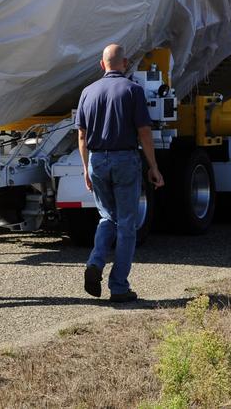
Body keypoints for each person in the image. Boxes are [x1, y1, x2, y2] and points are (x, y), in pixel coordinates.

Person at [76, 43, 164, 303]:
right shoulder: (132, 90)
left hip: (96, 160)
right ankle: (119, 286)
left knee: (106, 217)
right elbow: (144, 132)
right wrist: (154, 167)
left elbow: (81, 135)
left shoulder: (87, 92)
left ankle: (95, 261)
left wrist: (85, 168)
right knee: (126, 224)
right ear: (125, 64)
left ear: (101, 65)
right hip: (124, 159)